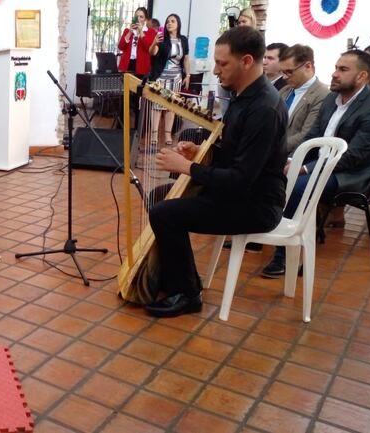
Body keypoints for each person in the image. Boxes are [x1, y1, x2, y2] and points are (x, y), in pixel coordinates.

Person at [145, 26, 288, 318]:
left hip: (256, 205)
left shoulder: (263, 108)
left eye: (223, 63)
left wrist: (188, 167)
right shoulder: (243, 96)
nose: (215, 70)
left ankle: (188, 294)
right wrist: (199, 154)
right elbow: (235, 155)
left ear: (247, 61)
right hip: (239, 194)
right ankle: (175, 275)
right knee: (159, 197)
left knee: (165, 213)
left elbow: (240, 179)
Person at [261, 50, 370, 278]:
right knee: (272, 171)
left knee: (300, 185)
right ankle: (263, 229)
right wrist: (294, 159)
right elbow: (313, 135)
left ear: (361, 76)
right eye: (335, 67)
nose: (334, 74)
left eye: (343, 70)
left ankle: (284, 255)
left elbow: (352, 157)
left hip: (351, 175)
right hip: (320, 164)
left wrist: (306, 168)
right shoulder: (332, 98)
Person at [279, 44, 331, 154]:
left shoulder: (322, 94)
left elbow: (306, 134)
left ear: (308, 66)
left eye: (289, 72)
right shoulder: (284, 90)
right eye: (282, 72)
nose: (284, 77)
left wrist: (271, 148)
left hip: (293, 156)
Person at [148, 14, 191, 146]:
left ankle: (167, 134)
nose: (169, 24)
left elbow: (186, 58)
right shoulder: (162, 39)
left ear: (178, 24)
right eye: (167, 22)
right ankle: (154, 134)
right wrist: (155, 42)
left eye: (172, 21)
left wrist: (188, 75)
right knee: (156, 106)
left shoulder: (183, 40)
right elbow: (152, 52)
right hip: (161, 78)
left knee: (170, 106)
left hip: (176, 78)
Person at [117, 7, 156, 78]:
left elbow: (148, 48)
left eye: (141, 17)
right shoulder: (127, 31)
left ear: (145, 20)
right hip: (127, 65)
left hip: (142, 66)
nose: (138, 19)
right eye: (136, 16)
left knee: (139, 88)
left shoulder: (151, 32)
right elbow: (121, 47)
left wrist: (141, 31)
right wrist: (130, 32)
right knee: (126, 88)